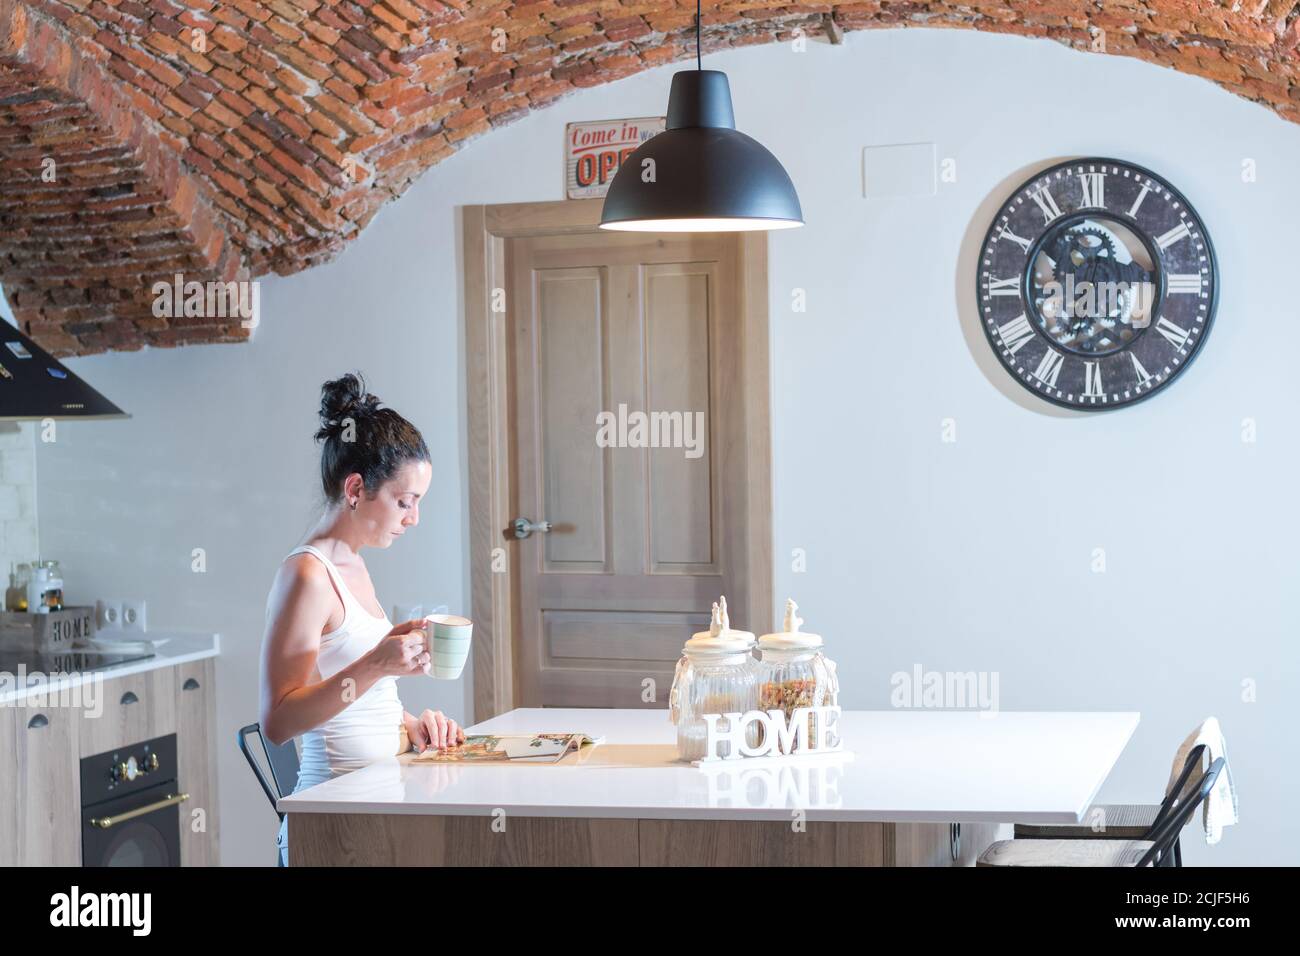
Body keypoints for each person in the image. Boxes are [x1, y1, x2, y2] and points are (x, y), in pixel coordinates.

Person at [259, 372, 465, 866]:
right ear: (356, 488)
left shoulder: (354, 564)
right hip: (332, 825)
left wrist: (411, 724)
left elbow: (352, 698)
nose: (413, 518)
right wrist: (377, 663)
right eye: (405, 501)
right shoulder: (306, 575)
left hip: (377, 806)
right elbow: (279, 721)